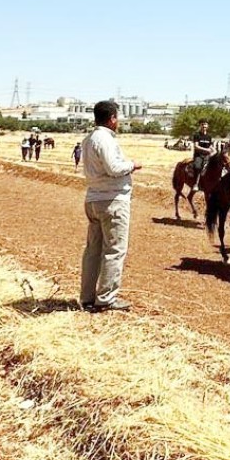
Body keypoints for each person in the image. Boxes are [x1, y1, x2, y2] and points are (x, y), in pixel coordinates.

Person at [80, 100, 141, 312]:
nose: (119, 121)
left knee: (93, 251)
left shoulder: (88, 139)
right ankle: (106, 299)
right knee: (114, 250)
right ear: (112, 118)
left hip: (94, 199)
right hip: (112, 200)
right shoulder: (104, 139)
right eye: (118, 117)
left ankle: (87, 297)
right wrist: (132, 165)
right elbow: (114, 167)